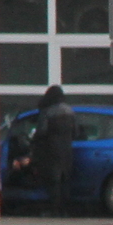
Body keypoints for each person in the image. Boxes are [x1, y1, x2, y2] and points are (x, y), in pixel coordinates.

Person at [30, 85, 77, 215]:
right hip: (67, 150)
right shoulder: (70, 111)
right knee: (65, 180)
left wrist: (34, 140)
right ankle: (65, 210)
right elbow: (76, 132)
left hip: (51, 150)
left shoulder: (47, 112)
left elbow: (42, 132)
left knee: (53, 181)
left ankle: (54, 209)